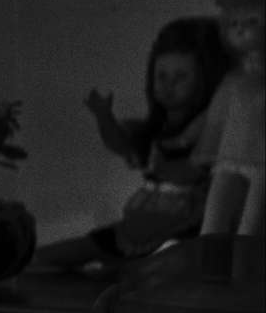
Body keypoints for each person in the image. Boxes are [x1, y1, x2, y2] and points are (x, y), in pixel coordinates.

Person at [33, 16, 229, 271]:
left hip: (181, 234)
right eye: (161, 76)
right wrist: (104, 117)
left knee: (156, 268)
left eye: (180, 77)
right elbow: (122, 143)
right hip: (134, 229)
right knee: (49, 257)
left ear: (206, 79)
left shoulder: (210, 129)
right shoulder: (155, 130)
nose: (168, 85)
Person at [197, 0, 265, 238]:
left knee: (251, 228)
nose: (240, 29)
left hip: (261, 162)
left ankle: (244, 262)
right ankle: (211, 261)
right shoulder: (234, 79)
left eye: (252, 21)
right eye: (234, 22)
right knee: (213, 223)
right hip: (229, 156)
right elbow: (215, 118)